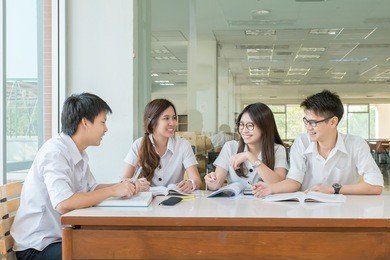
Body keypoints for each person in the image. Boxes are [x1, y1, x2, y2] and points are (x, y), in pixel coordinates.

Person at [11, 93, 138, 260]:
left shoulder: (79, 153)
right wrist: (114, 190)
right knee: (106, 250)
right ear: (85, 122)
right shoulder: (55, 151)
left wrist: (124, 186)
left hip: (58, 238)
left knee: (115, 242)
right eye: (103, 122)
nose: (106, 129)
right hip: (37, 247)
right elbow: (64, 203)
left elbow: (91, 189)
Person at [253, 90, 384, 197]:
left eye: (313, 123)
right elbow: (294, 181)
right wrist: (271, 188)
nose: (308, 127)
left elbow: (376, 186)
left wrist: (333, 189)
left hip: (343, 209)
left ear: (333, 122)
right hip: (307, 208)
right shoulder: (302, 142)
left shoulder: (355, 144)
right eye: (306, 121)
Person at [122, 98, 202, 193]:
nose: (172, 123)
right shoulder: (138, 145)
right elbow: (123, 180)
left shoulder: (183, 145)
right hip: (146, 203)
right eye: (166, 118)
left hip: (174, 203)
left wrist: (191, 183)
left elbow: (197, 181)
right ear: (152, 123)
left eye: (174, 118)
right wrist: (135, 184)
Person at [204, 102, 288, 191]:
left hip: (264, 203)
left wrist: (249, 156)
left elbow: (279, 183)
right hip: (236, 204)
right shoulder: (230, 147)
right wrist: (211, 182)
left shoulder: (278, 150)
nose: (244, 130)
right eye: (241, 124)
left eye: (250, 125)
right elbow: (215, 185)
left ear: (264, 127)